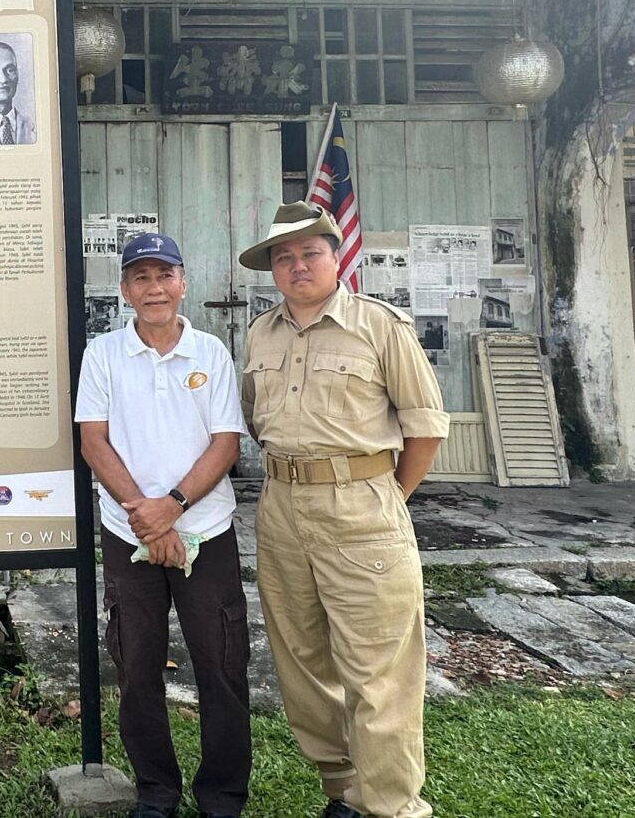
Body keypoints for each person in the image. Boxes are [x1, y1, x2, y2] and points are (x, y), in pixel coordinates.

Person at [238, 202, 449, 818]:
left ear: (337, 258)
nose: (298, 265)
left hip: (362, 507)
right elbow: (257, 421)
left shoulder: (381, 326)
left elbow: (424, 427)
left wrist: (382, 497)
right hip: (281, 509)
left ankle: (393, 806)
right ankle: (346, 790)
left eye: (310, 253)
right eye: (284, 257)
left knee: (378, 670)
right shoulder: (259, 333)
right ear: (273, 271)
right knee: (301, 662)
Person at [75, 232, 251, 818]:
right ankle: (155, 791)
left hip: (207, 530)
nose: (155, 288)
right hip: (129, 534)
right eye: (141, 278)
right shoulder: (102, 355)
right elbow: (93, 442)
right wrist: (147, 519)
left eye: (164, 275)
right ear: (125, 290)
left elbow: (226, 443)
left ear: (182, 282)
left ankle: (222, 796)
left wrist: (172, 507)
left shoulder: (211, 354)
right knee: (137, 667)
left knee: (222, 666)